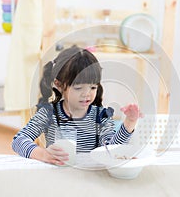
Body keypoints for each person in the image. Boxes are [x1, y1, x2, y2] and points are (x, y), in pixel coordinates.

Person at [12, 45, 143, 165]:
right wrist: (43, 154)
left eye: (92, 87)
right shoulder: (49, 113)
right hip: (57, 176)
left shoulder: (100, 116)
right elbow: (18, 141)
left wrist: (129, 123)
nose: (86, 94)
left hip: (89, 179)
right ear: (59, 84)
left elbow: (110, 150)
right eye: (78, 88)